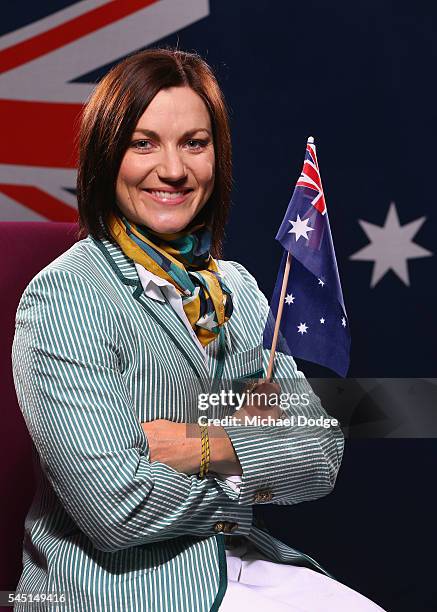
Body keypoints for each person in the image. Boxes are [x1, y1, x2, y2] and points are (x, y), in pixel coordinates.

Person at [12, 48, 385, 611]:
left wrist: (195, 444)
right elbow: (117, 509)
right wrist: (247, 455)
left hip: (236, 564)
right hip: (114, 591)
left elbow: (320, 451)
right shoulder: (66, 295)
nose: (173, 169)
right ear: (105, 154)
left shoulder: (234, 284)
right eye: (143, 143)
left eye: (194, 142)